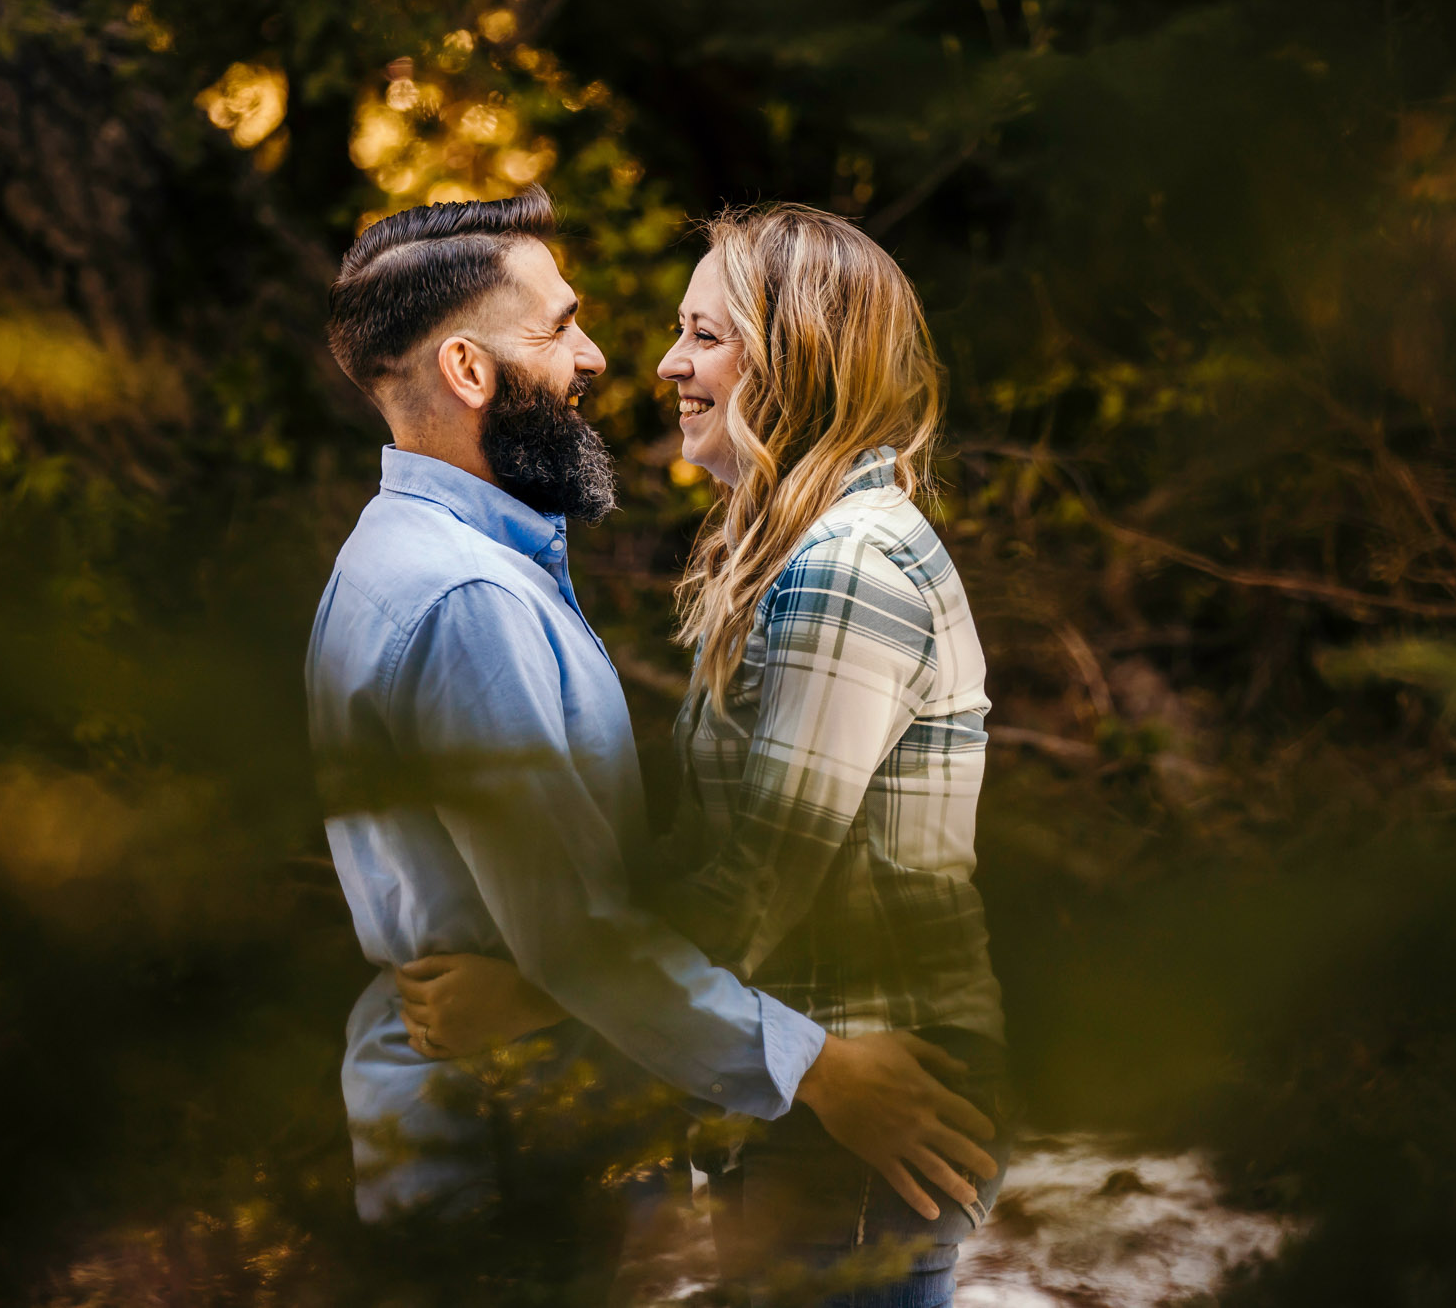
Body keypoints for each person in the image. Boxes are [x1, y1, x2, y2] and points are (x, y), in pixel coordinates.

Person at [305, 185, 998, 1305]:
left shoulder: (833, 564)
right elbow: (623, 901)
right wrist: (578, 978)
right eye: (561, 325)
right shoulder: (471, 594)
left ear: (800, 364)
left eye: (702, 333)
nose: (614, 358)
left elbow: (734, 878)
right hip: (539, 1128)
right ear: (472, 372)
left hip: (861, 1105)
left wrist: (536, 991)